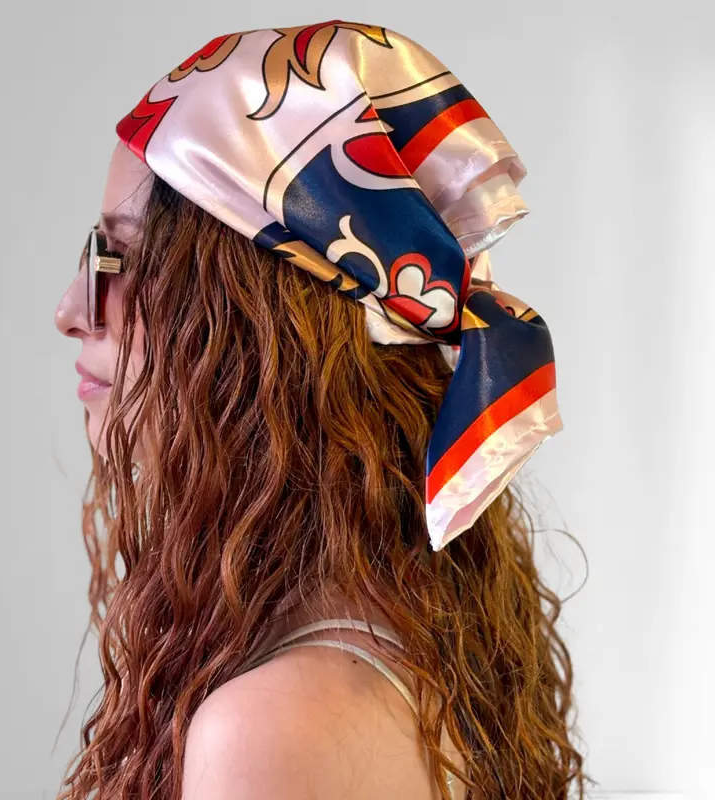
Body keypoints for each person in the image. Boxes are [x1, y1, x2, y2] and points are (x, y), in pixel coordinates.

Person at [54, 20, 584, 800]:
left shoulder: (278, 724)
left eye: (124, 257)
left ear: (262, 316)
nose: (73, 310)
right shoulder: (403, 631)